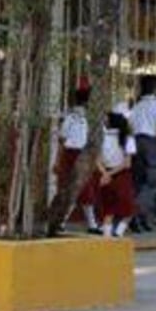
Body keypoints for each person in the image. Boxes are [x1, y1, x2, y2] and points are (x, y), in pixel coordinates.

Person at [54, 87, 100, 233]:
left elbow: (62, 140)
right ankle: (89, 224)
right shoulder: (90, 118)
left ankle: (63, 222)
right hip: (81, 154)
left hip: (70, 154)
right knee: (83, 189)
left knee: (75, 189)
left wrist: (57, 160)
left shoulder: (69, 117)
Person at [129, 75, 156, 232]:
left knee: (138, 180)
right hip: (151, 142)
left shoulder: (137, 106)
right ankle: (137, 212)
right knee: (153, 181)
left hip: (136, 142)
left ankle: (142, 218)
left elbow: (131, 127)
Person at [96, 111, 137, 238]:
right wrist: (111, 173)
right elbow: (127, 164)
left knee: (108, 210)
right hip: (122, 175)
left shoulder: (102, 137)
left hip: (105, 175)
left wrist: (105, 174)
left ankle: (106, 238)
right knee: (129, 209)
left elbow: (96, 159)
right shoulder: (127, 139)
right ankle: (118, 233)